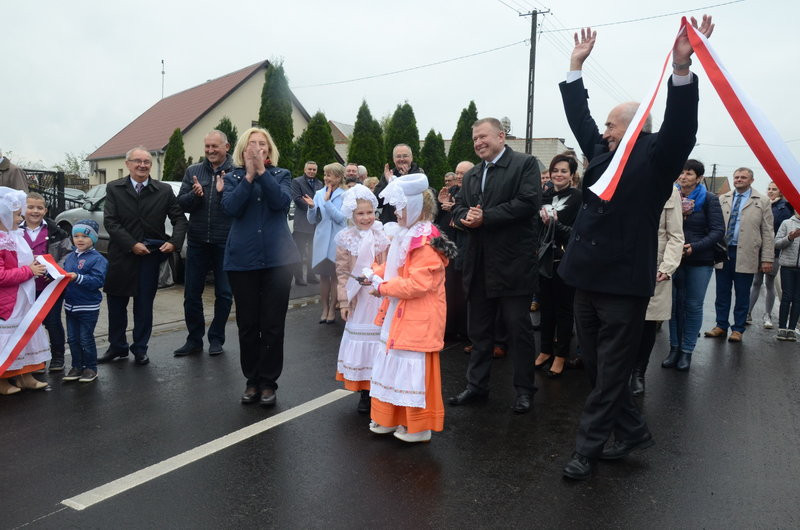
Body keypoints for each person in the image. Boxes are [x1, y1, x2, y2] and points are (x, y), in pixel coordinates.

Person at [558, 18, 713, 480]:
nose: (602, 130)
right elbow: (579, 118)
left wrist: (682, 68)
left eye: (610, 123)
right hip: (584, 276)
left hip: (625, 285)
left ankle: (588, 448)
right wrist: (574, 67)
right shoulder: (601, 154)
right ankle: (631, 431)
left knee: (611, 372)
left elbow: (682, 127)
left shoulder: (656, 155)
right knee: (595, 367)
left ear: (631, 127)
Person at [449, 117, 540, 414]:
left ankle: (524, 390)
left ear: (501, 136)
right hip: (478, 264)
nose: (478, 143)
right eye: (474, 139)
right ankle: (477, 386)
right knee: (479, 331)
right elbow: (461, 207)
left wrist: (485, 216)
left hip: (513, 265)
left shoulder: (524, 164)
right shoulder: (473, 174)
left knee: (518, 330)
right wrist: (465, 217)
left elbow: (528, 202)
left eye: (483, 136)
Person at [366, 173, 453, 442]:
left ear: (416, 207)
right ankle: (391, 419)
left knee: (413, 372)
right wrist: (374, 272)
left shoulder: (424, 242)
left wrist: (382, 286)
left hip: (418, 318)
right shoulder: (407, 235)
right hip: (400, 314)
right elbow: (396, 268)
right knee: (395, 368)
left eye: (401, 207)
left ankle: (419, 426)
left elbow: (416, 284)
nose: (395, 212)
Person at [221, 127, 299, 407]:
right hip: (242, 262)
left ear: (269, 150)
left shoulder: (282, 175)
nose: (257, 148)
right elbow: (230, 208)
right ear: (243, 150)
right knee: (248, 324)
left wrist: (262, 175)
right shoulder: (232, 178)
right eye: (251, 144)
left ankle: (268, 382)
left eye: (262, 144)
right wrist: (250, 176)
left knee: (273, 324)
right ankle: (251, 381)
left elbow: (280, 202)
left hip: (279, 262)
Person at [99, 146, 187, 366]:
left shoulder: (164, 190)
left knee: (144, 306)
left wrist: (174, 243)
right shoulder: (114, 188)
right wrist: (132, 244)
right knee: (116, 305)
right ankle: (117, 347)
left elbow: (180, 220)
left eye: (147, 161)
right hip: (122, 255)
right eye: (137, 161)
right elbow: (111, 222)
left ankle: (140, 348)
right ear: (127, 164)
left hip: (149, 257)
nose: (142, 165)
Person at [174, 130, 234, 357]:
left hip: (225, 242)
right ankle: (194, 340)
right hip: (198, 240)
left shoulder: (236, 172)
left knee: (225, 294)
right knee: (191, 294)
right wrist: (195, 195)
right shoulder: (193, 171)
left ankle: (216, 338)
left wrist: (221, 193)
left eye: (214, 146)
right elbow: (182, 204)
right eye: (207, 146)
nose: (210, 150)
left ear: (226, 147)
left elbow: (237, 206)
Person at [662, 160, 724, 374]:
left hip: (699, 260)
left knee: (693, 305)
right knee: (673, 306)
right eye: (681, 172)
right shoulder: (671, 196)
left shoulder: (708, 199)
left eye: (688, 173)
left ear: (699, 178)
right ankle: (674, 348)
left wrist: (694, 247)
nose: (683, 177)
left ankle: (687, 350)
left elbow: (717, 231)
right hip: (673, 260)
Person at [334, 184, 389, 413]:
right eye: (360, 213)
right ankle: (365, 392)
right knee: (362, 344)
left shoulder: (382, 235)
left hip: (378, 296)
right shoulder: (346, 238)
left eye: (369, 212)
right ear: (351, 215)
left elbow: (389, 265)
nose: (366, 217)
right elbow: (342, 272)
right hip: (358, 298)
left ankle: (380, 389)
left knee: (379, 344)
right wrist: (344, 301)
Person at [705, 167, 774, 342]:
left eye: (743, 177)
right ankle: (721, 325)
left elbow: (767, 232)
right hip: (724, 252)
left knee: (742, 293)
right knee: (722, 291)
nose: (739, 180)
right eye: (736, 177)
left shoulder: (762, 201)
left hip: (747, 252)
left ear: (751, 180)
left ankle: (738, 329)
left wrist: (766, 258)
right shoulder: (723, 198)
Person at [630, 187, 683, 393]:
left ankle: (638, 372)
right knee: (621, 321)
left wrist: (667, 267)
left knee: (647, 321)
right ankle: (619, 370)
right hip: (622, 263)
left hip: (654, 266)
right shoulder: (621, 179)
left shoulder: (669, 191)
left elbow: (676, 236)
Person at [534, 154, 583, 378]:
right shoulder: (543, 196)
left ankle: (561, 354)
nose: (558, 175)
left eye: (564, 171)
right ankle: (545, 350)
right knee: (546, 308)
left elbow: (578, 234)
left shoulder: (578, 198)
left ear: (572, 175)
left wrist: (556, 224)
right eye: (555, 170)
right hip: (543, 260)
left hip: (566, 260)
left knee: (564, 310)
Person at [0, 190, 48, 394]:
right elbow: (1, 276)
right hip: (7, 301)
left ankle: (25, 375)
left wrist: (37, 264)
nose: (21, 218)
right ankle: (3, 380)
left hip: (22, 297)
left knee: (24, 336)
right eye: (17, 215)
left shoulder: (15, 236)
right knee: (7, 340)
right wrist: (29, 270)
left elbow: (22, 262)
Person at [21, 192, 72, 372]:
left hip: (50, 287)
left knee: (52, 322)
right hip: (23, 288)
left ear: (45, 210)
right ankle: (34, 360)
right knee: (28, 324)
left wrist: (55, 271)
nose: (35, 211)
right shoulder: (13, 231)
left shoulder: (57, 232)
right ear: (22, 208)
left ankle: (58, 356)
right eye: (30, 207)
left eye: (39, 208)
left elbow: (68, 254)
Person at [62, 220, 108, 383]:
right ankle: (77, 366)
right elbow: (64, 274)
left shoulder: (98, 259)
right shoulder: (70, 257)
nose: (80, 239)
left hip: (88, 306)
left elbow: (98, 281)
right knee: (73, 339)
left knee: (85, 338)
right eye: (76, 236)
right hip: (70, 306)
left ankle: (91, 368)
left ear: (94, 239)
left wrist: (78, 277)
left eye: (85, 236)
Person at [304, 163, 347, 324]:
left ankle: (332, 309)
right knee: (323, 276)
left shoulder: (345, 195)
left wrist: (328, 202)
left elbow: (341, 218)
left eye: (329, 175)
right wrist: (311, 208)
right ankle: (324, 308)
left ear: (338, 177)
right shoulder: (318, 193)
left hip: (338, 238)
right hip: (321, 238)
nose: (326, 178)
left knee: (335, 276)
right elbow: (312, 220)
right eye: (325, 174)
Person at [747, 181, 793, 329]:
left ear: (780, 192)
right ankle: (747, 313)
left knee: (769, 283)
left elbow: (777, 230)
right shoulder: (763, 204)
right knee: (755, 282)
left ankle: (767, 315)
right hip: (758, 250)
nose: (771, 191)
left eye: (774, 189)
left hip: (774, 251)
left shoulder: (785, 208)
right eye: (769, 189)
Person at [290, 161, 323, 286]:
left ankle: (311, 275)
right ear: (305, 170)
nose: (312, 171)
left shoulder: (320, 183)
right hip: (302, 223)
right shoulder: (297, 182)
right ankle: (298, 277)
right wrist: (313, 207)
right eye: (309, 169)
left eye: (314, 169)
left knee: (313, 252)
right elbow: (297, 199)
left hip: (315, 224)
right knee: (299, 251)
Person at [373, 144, 422, 224]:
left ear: (411, 158)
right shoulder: (389, 174)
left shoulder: (419, 175)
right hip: (389, 223)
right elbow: (377, 201)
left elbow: (420, 201)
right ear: (393, 159)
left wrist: (406, 179)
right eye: (398, 156)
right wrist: (389, 182)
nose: (402, 159)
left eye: (405, 156)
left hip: (410, 224)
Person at [774, 212, 800, 340]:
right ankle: (782, 327)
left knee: (798, 299)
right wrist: (789, 238)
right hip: (787, 266)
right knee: (786, 296)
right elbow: (777, 243)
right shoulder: (787, 223)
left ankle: (791, 329)